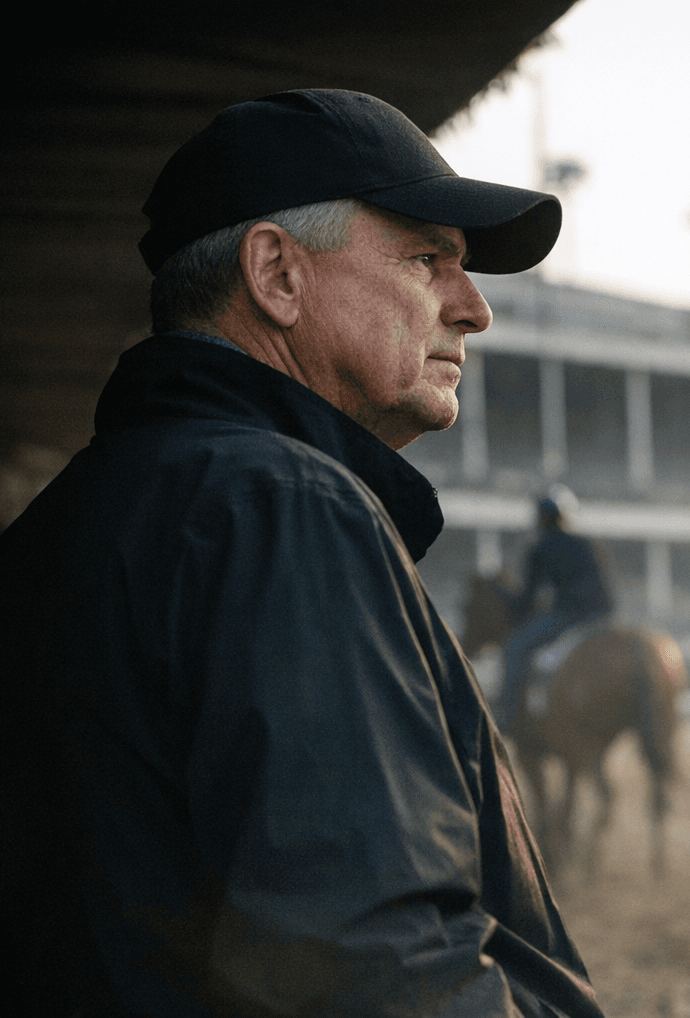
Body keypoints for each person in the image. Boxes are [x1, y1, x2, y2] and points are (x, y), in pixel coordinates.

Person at [0, 89, 602, 1018]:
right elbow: (378, 961)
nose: (474, 309)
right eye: (426, 259)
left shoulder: (76, 514)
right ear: (277, 275)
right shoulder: (282, 508)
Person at [498, 485, 615, 723]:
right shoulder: (588, 543)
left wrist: (509, 603)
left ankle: (507, 714)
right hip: (604, 615)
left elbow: (527, 601)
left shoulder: (539, 548)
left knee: (515, 647)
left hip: (569, 616)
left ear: (541, 518)